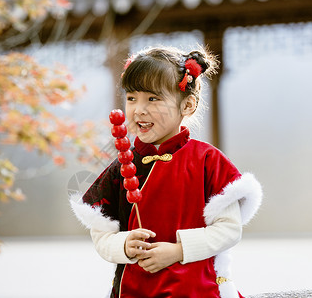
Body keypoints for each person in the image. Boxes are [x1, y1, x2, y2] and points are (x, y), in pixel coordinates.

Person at [70, 45, 263, 298]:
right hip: (132, 290)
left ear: (188, 105)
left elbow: (229, 230)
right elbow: (102, 236)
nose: (139, 109)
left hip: (194, 290)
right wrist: (124, 245)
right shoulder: (122, 166)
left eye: (153, 98)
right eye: (131, 98)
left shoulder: (206, 160)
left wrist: (178, 250)